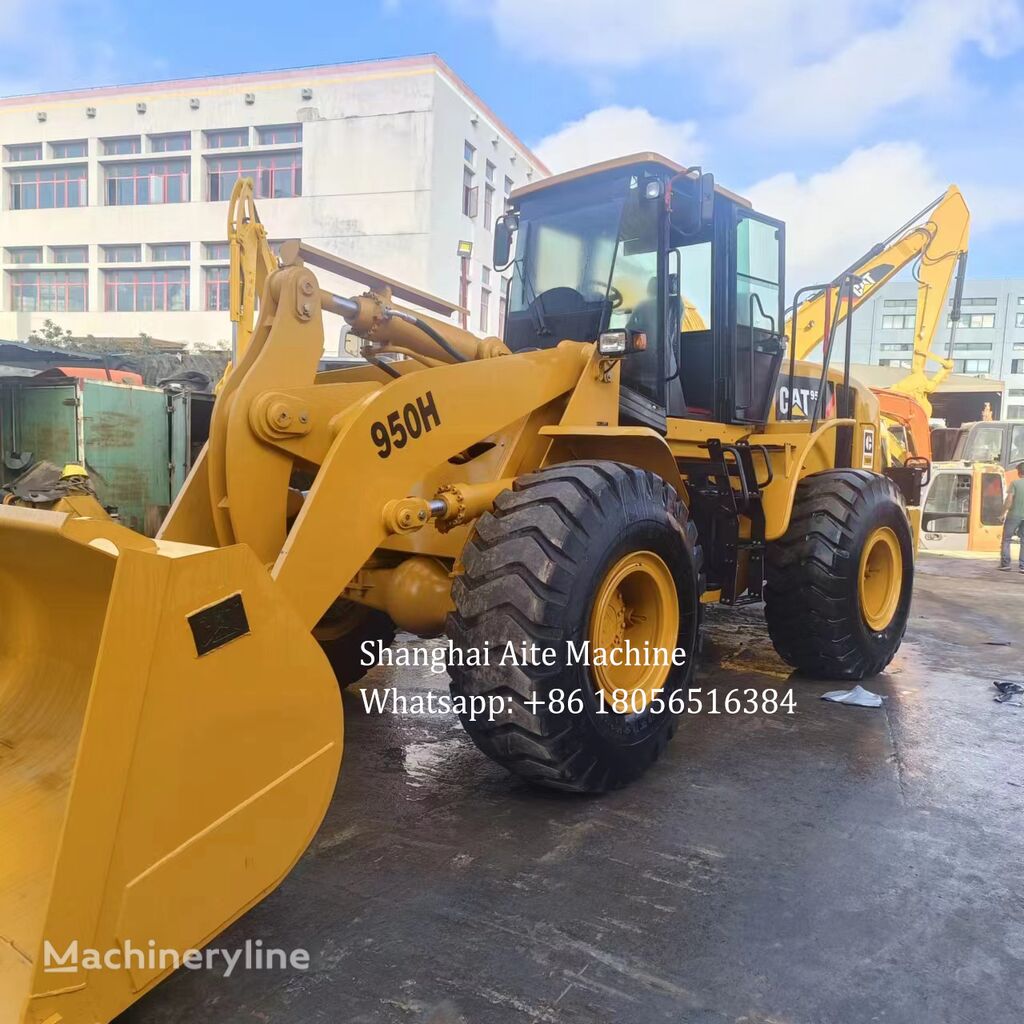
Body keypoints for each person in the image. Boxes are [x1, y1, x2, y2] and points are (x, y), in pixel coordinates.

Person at [999, 463, 1024, 572]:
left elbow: (1009, 500)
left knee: (1006, 539)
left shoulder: (1014, 483)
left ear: (1019, 472)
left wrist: (1002, 513)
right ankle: (1023, 566)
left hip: (1014, 515)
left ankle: (1006, 564)